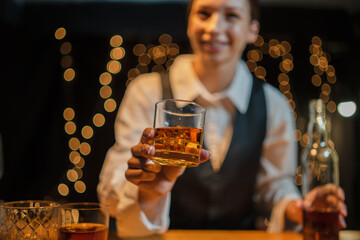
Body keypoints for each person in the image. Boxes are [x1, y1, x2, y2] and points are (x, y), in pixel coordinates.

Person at [97, 0, 347, 237]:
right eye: (204, 14)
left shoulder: (274, 103)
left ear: (252, 30)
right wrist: (148, 192)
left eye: (231, 16)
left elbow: (275, 187)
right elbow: (112, 188)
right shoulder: (146, 91)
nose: (214, 28)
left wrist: (295, 207)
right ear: (189, 22)